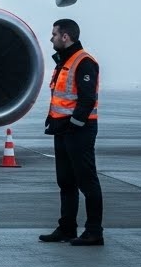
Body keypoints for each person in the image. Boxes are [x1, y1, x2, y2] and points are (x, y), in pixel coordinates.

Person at [38, 18, 104, 246]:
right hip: (62, 129)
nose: (51, 38)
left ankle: (94, 231)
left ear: (65, 37)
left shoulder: (84, 62)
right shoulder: (64, 61)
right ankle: (67, 228)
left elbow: (87, 100)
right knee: (65, 181)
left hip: (79, 130)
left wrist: (74, 126)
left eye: (54, 34)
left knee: (87, 181)